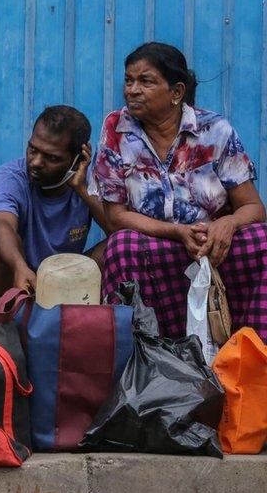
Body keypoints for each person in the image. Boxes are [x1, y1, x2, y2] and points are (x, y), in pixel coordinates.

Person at [94, 42, 267, 340]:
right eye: (128, 80)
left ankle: (251, 352)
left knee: (262, 240)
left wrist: (228, 223)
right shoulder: (116, 129)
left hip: (213, 247)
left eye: (145, 81)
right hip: (159, 243)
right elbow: (115, 217)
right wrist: (176, 232)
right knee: (121, 247)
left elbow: (253, 208)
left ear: (176, 92)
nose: (132, 90)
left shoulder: (214, 130)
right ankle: (147, 359)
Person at [0, 105, 110, 302]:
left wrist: (81, 189)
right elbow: (1, 225)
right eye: (33, 149)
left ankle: (90, 324)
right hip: (14, 276)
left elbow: (116, 232)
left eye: (51, 157)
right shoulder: (9, 178)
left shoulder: (89, 184)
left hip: (62, 276)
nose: (36, 162)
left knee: (116, 246)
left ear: (77, 160)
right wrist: (20, 267)